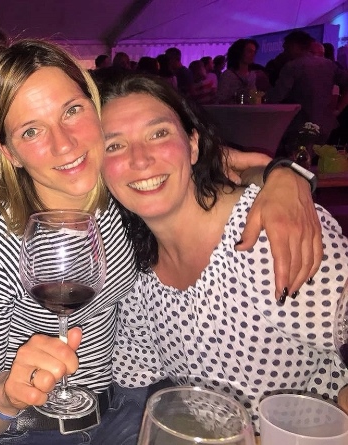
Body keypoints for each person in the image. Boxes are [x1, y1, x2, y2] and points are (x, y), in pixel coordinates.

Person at [0, 39, 322, 445]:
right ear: (9, 152)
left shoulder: (124, 191)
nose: (64, 143)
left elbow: (210, 161)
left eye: (72, 111)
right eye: (32, 131)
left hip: (117, 410)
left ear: (95, 109)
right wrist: (5, 395)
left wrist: (283, 176)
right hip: (27, 431)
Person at [98, 74, 348, 431]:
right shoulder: (136, 272)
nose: (140, 159)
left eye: (158, 133)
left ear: (193, 145)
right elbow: (135, 377)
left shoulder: (268, 233)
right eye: (114, 146)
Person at [217, 38, 259, 104]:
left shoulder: (252, 75)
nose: (253, 55)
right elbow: (220, 99)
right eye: (249, 51)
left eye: (254, 52)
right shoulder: (228, 75)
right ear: (239, 52)